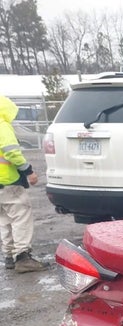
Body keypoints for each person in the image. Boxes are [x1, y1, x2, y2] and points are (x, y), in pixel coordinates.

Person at [1, 94, 46, 273]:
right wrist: (28, 171)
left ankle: (9, 256)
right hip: (7, 181)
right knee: (21, 216)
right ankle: (23, 257)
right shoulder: (2, 126)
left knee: (4, 219)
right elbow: (12, 152)